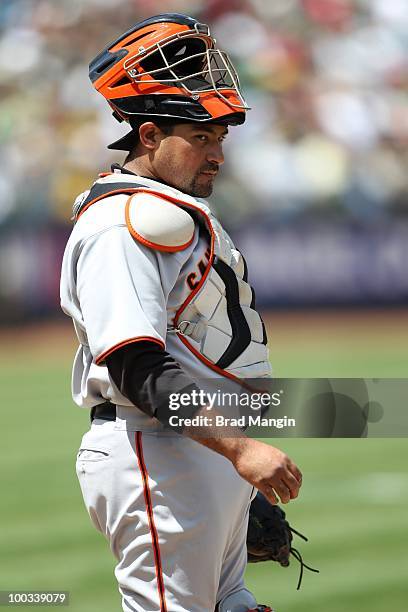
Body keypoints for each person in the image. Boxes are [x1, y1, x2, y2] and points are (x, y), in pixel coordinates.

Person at [60, 13, 302, 612]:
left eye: (220, 138)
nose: (217, 152)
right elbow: (135, 363)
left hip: (195, 451)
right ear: (148, 136)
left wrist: (230, 461)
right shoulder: (122, 223)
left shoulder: (165, 209)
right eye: (201, 138)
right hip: (157, 452)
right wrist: (240, 450)